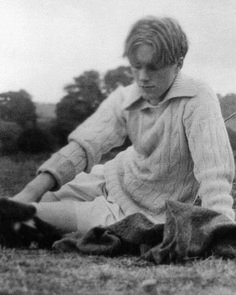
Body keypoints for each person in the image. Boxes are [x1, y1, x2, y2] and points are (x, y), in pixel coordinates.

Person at [12, 16, 236, 235]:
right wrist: (28, 192)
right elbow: (84, 146)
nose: (142, 78)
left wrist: (220, 224)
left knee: (34, 215)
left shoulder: (198, 98)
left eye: (153, 67)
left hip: (144, 212)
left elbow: (214, 172)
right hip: (109, 177)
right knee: (30, 202)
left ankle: (28, 222)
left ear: (178, 64)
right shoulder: (128, 97)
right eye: (136, 67)